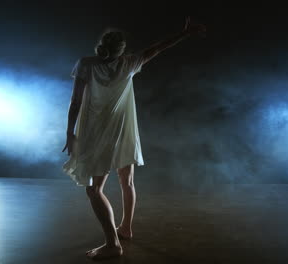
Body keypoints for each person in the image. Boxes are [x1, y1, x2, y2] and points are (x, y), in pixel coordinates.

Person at [61, 17, 206, 260]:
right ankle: (126, 227)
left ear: (102, 44)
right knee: (126, 181)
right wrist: (185, 33)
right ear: (122, 49)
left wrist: (69, 132)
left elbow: (75, 102)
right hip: (123, 131)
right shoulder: (130, 62)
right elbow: (159, 47)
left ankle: (112, 243)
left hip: (98, 133)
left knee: (94, 190)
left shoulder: (86, 64)